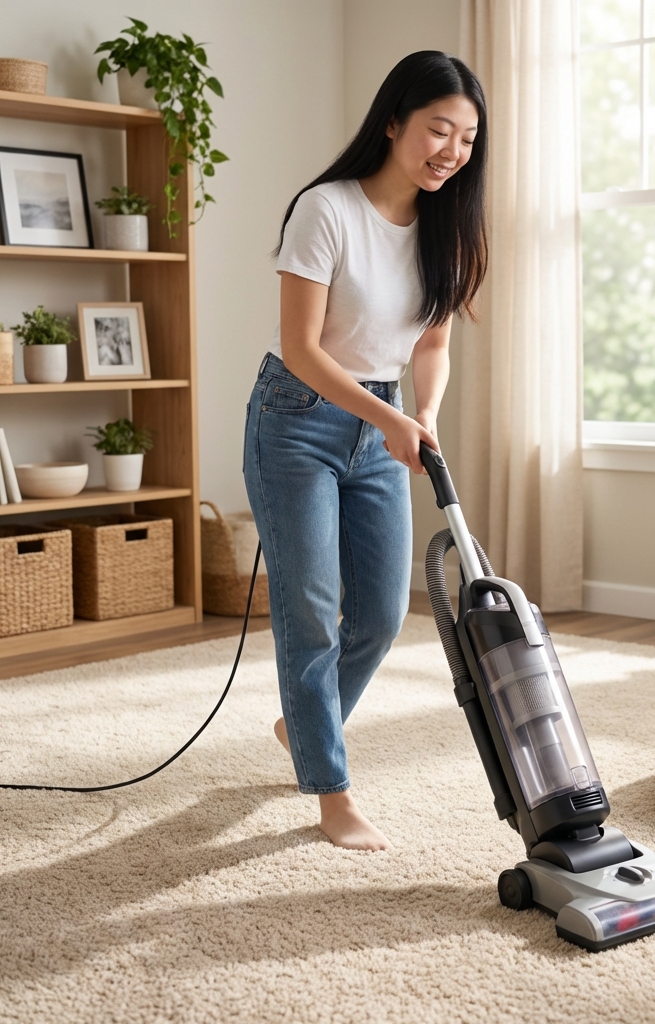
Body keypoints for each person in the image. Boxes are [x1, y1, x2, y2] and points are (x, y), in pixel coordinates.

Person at [243, 51, 488, 851]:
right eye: (438, 130)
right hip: (298, 417)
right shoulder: (327, 210)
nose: (451, 151)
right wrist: (384, 420)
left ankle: (303, 727)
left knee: (381, 617)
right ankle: (332, 789)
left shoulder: (447, 226)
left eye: (467, 138)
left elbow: (434, 341)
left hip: (382, 418)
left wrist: (423, 413)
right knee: (311, 610)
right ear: (393, 122)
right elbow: (302, 347)